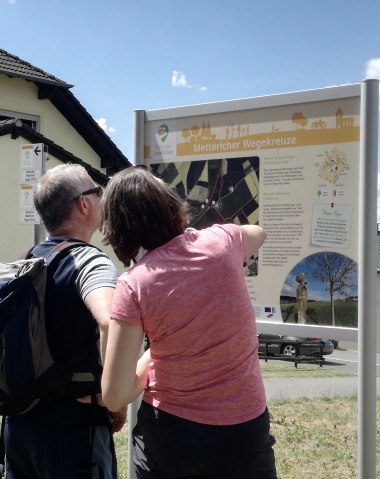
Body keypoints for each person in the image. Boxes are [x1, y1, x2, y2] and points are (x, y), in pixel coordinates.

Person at [100, 166, 277, 479]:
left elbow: (115, 394)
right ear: (172, 206)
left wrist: (156, 353)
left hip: (172, 436)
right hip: (245, 431)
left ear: (117, 229)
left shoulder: (134, 284)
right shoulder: (222, 242)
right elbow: (259, 234)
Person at [4, 163, 125, 479]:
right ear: (83, 204)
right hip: (73, 430)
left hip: (18, 424)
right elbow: (111, 322)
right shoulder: (89, 260)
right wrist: (114, 397)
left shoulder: (25, 261)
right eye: (96, 192)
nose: (101, 199)